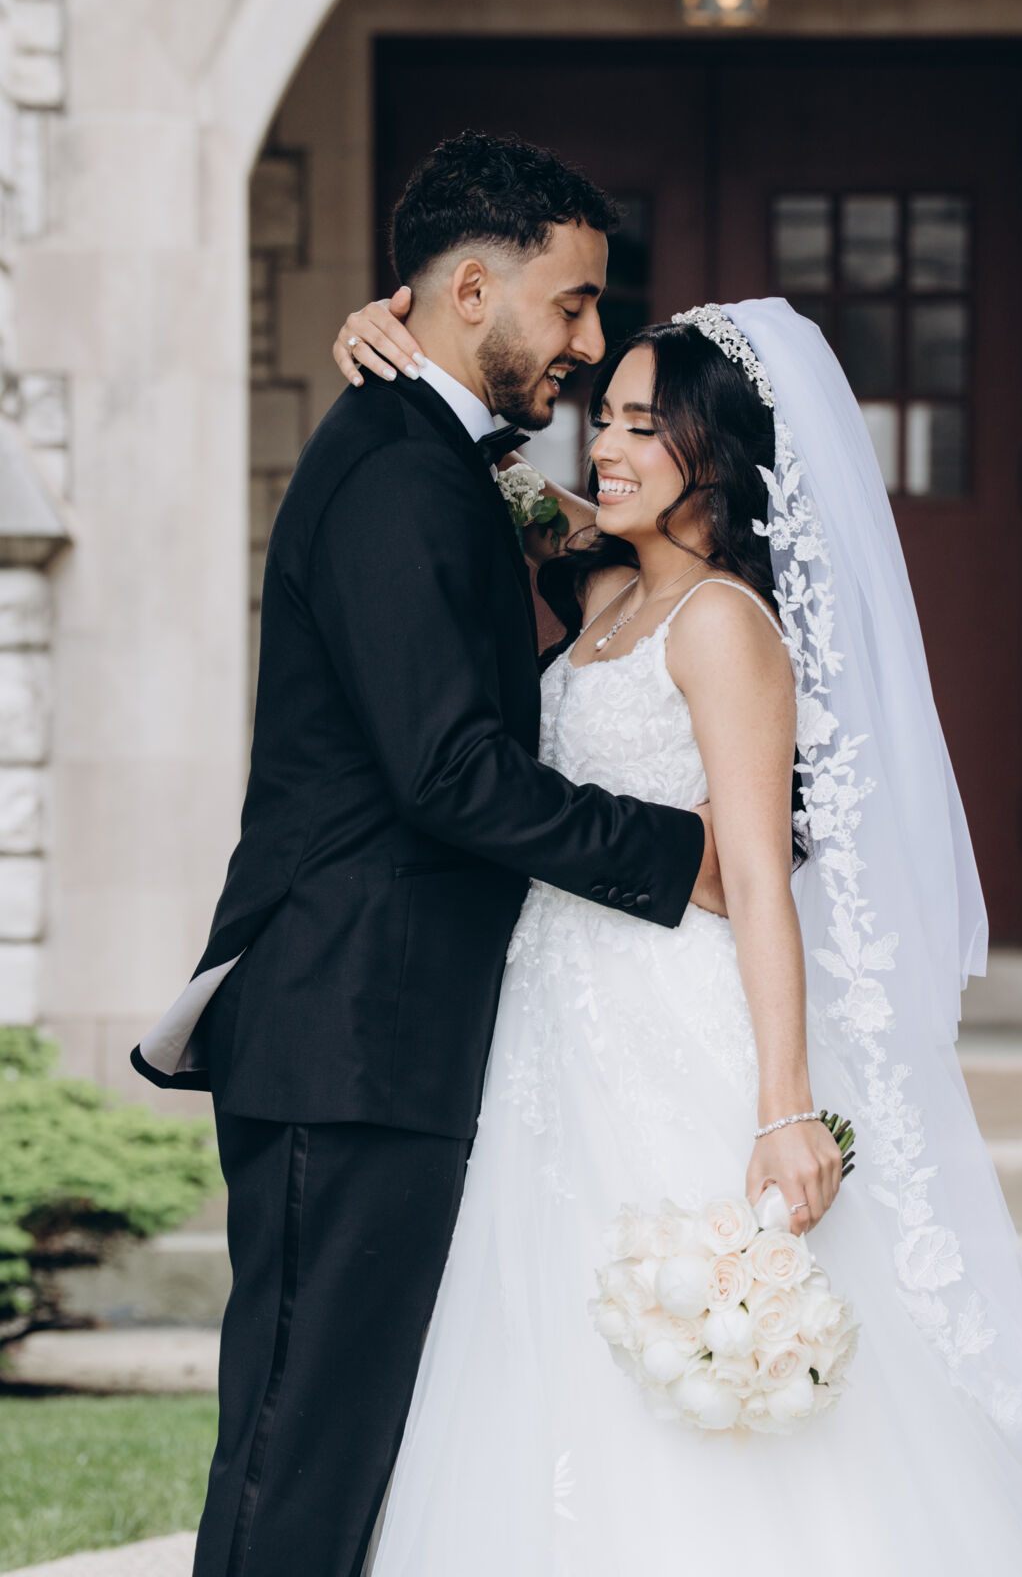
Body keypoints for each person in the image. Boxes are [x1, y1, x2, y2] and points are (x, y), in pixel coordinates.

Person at [333, 296, 1022, 1575]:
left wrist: (784, 1104)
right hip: (553, 1020)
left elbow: (757, 879)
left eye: (641, 427)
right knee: (546, 1329)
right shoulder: (607, 587)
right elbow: (503, 478)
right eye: (601, 418)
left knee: (686, 1327)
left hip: (670, 1019)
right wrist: (394, 351)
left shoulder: (723, 625)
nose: (601, 447)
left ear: (718, 458)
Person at [130, 132, 725, 1577]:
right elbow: (450, 776)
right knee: (299, 1456)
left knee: (341, 1454)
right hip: (349, 1028)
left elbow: (577, 541)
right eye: (570, 304)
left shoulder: (436, 456)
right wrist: (682, 854)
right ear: (471, 290)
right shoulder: (397, 469)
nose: (587, 342)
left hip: (384, 1030)